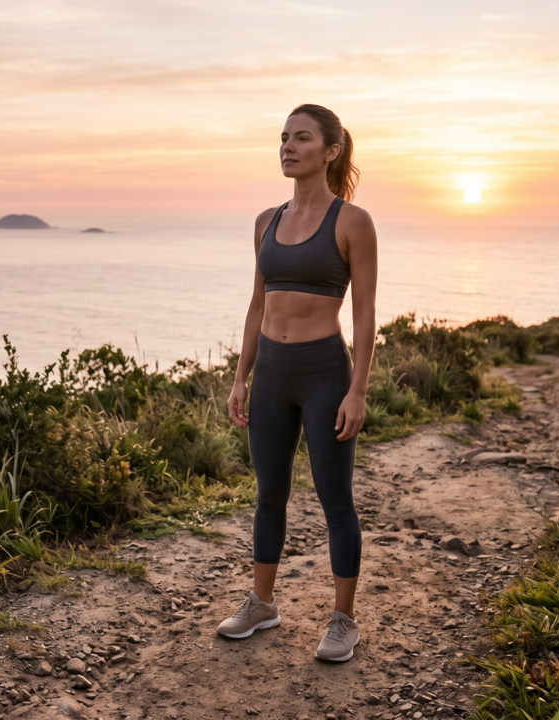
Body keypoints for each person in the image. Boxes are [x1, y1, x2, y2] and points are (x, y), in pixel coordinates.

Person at [216, 104, 378, 663]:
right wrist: (241, 379)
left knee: (336, 498)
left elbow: (364, 314)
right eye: (283, 138)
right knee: (269, 494)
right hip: (272, 377)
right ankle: (261, 604)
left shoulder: (352, 222)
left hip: (324, 373)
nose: (288, 147)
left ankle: (343, 621)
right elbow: (258, 304)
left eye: (301, 138)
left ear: (330, 151)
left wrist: (357, 389)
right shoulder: (266, 220)